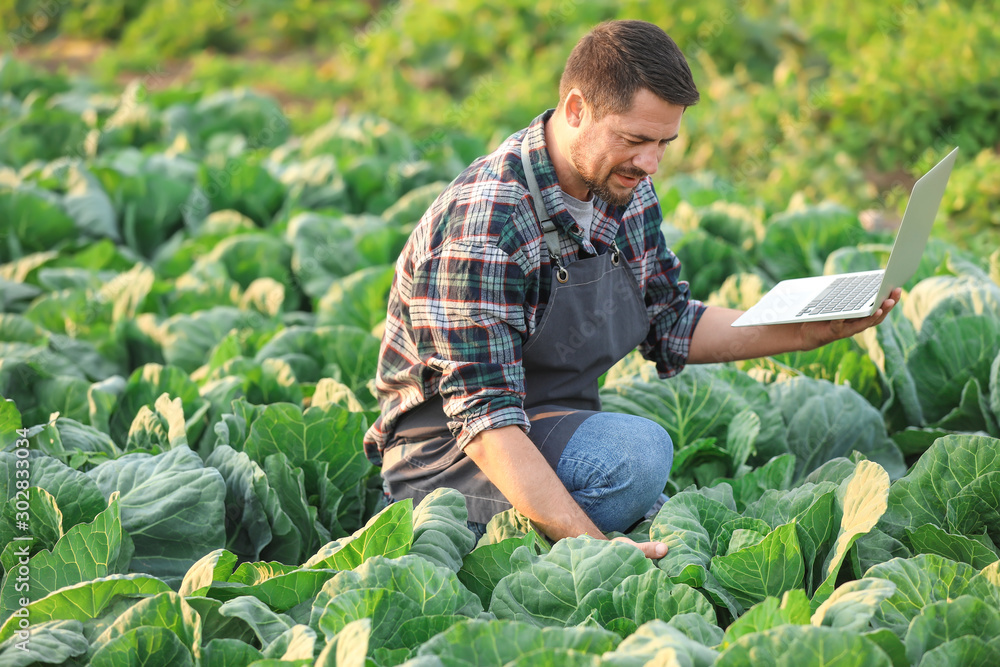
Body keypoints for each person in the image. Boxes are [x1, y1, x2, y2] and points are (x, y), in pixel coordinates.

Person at [361, 19, 901, 560]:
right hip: (450, 462)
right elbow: (484, 421)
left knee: (638, 464)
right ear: (576, 110)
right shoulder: (486, 224)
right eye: (635, 139)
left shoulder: (624, 187)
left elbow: (670, 322)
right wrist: (596, 552)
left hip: (543, 419)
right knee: (636, 455)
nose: (650, 163)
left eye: (664, 142)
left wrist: (809, 329)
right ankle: (478, 541)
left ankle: (541, 534)